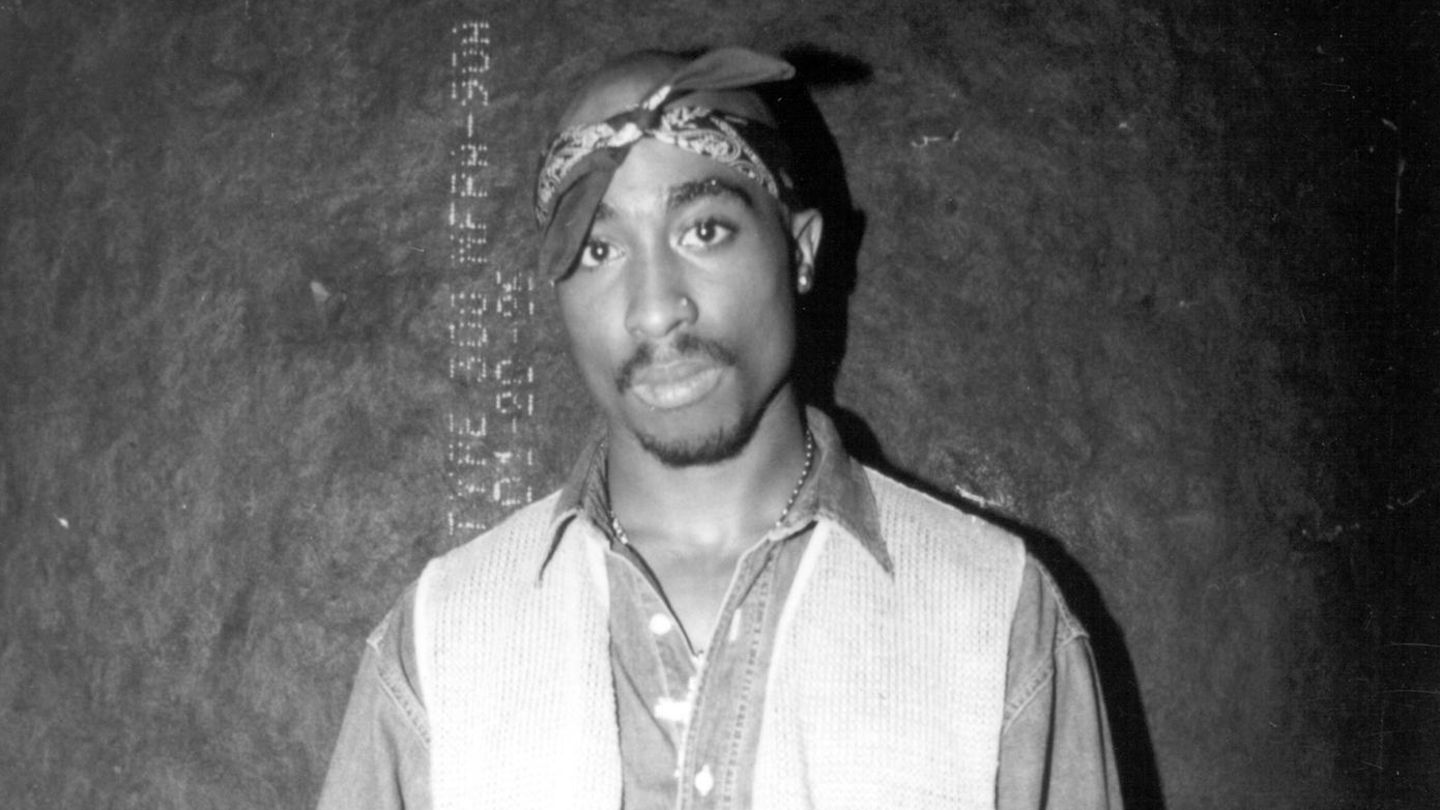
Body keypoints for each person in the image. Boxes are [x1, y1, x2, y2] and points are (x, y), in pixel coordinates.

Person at [318, 46, 1123, 809]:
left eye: (703, 230)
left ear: (800, 252)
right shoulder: (438, 649)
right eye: (598, 249)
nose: (654, 308)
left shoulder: (997, 620)